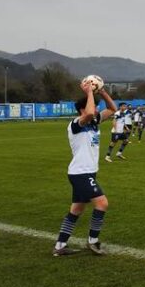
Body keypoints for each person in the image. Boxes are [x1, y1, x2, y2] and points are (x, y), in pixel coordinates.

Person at [53, 79, 117, 256]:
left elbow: (113, 109)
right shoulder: (76, 124)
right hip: (80, 173)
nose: (96, 110)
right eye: (94, 106)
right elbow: (89, 113)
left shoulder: (94, 122)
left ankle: (59, 246)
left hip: (87, 173)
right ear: (83, 109)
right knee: (102, 203)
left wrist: (102, 91)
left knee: (77, 210)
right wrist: (89, 92)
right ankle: (93, 241)